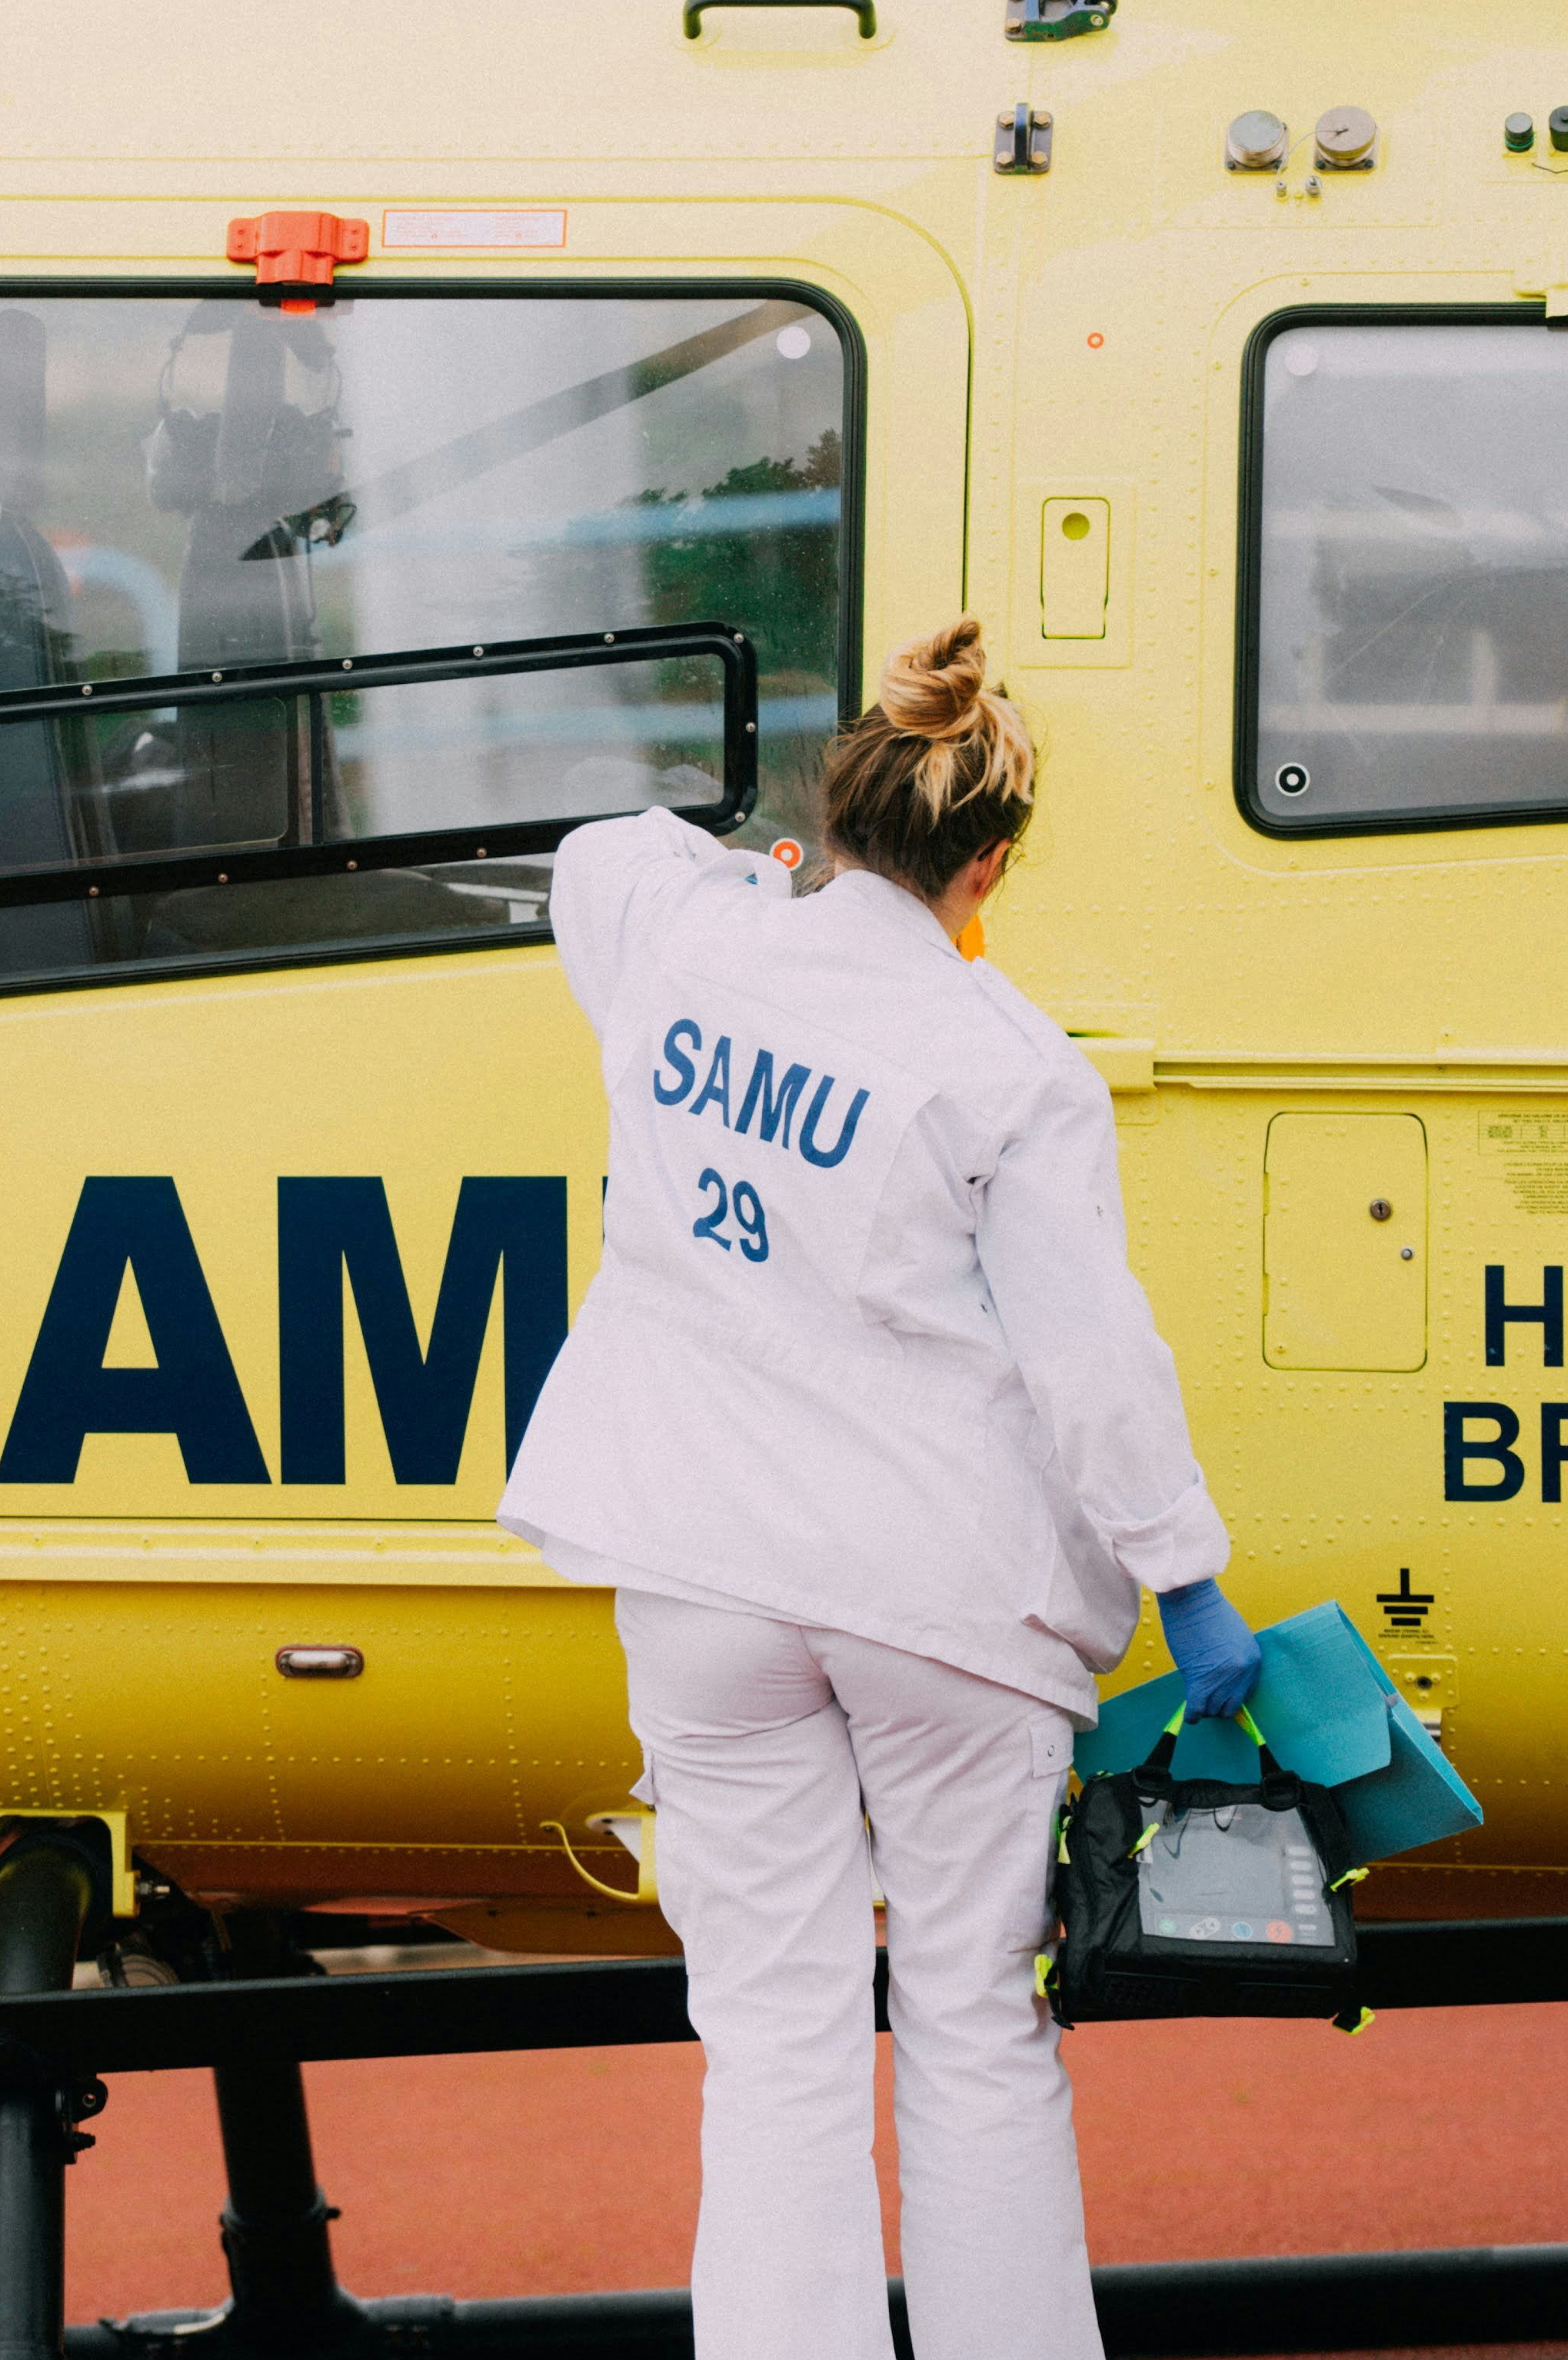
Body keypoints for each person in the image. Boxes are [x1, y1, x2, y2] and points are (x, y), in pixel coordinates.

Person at [501, 614, 1263, 2360]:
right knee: (973, 2021)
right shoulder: (1011, 1064)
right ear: (986, 865)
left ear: (833, 821)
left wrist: (751, 866)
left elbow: (599, 851)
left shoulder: (688, 946)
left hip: (699, 1571)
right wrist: (1186, 1576)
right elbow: (1090, 1361)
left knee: (769, 2029)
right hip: (940, 1592)